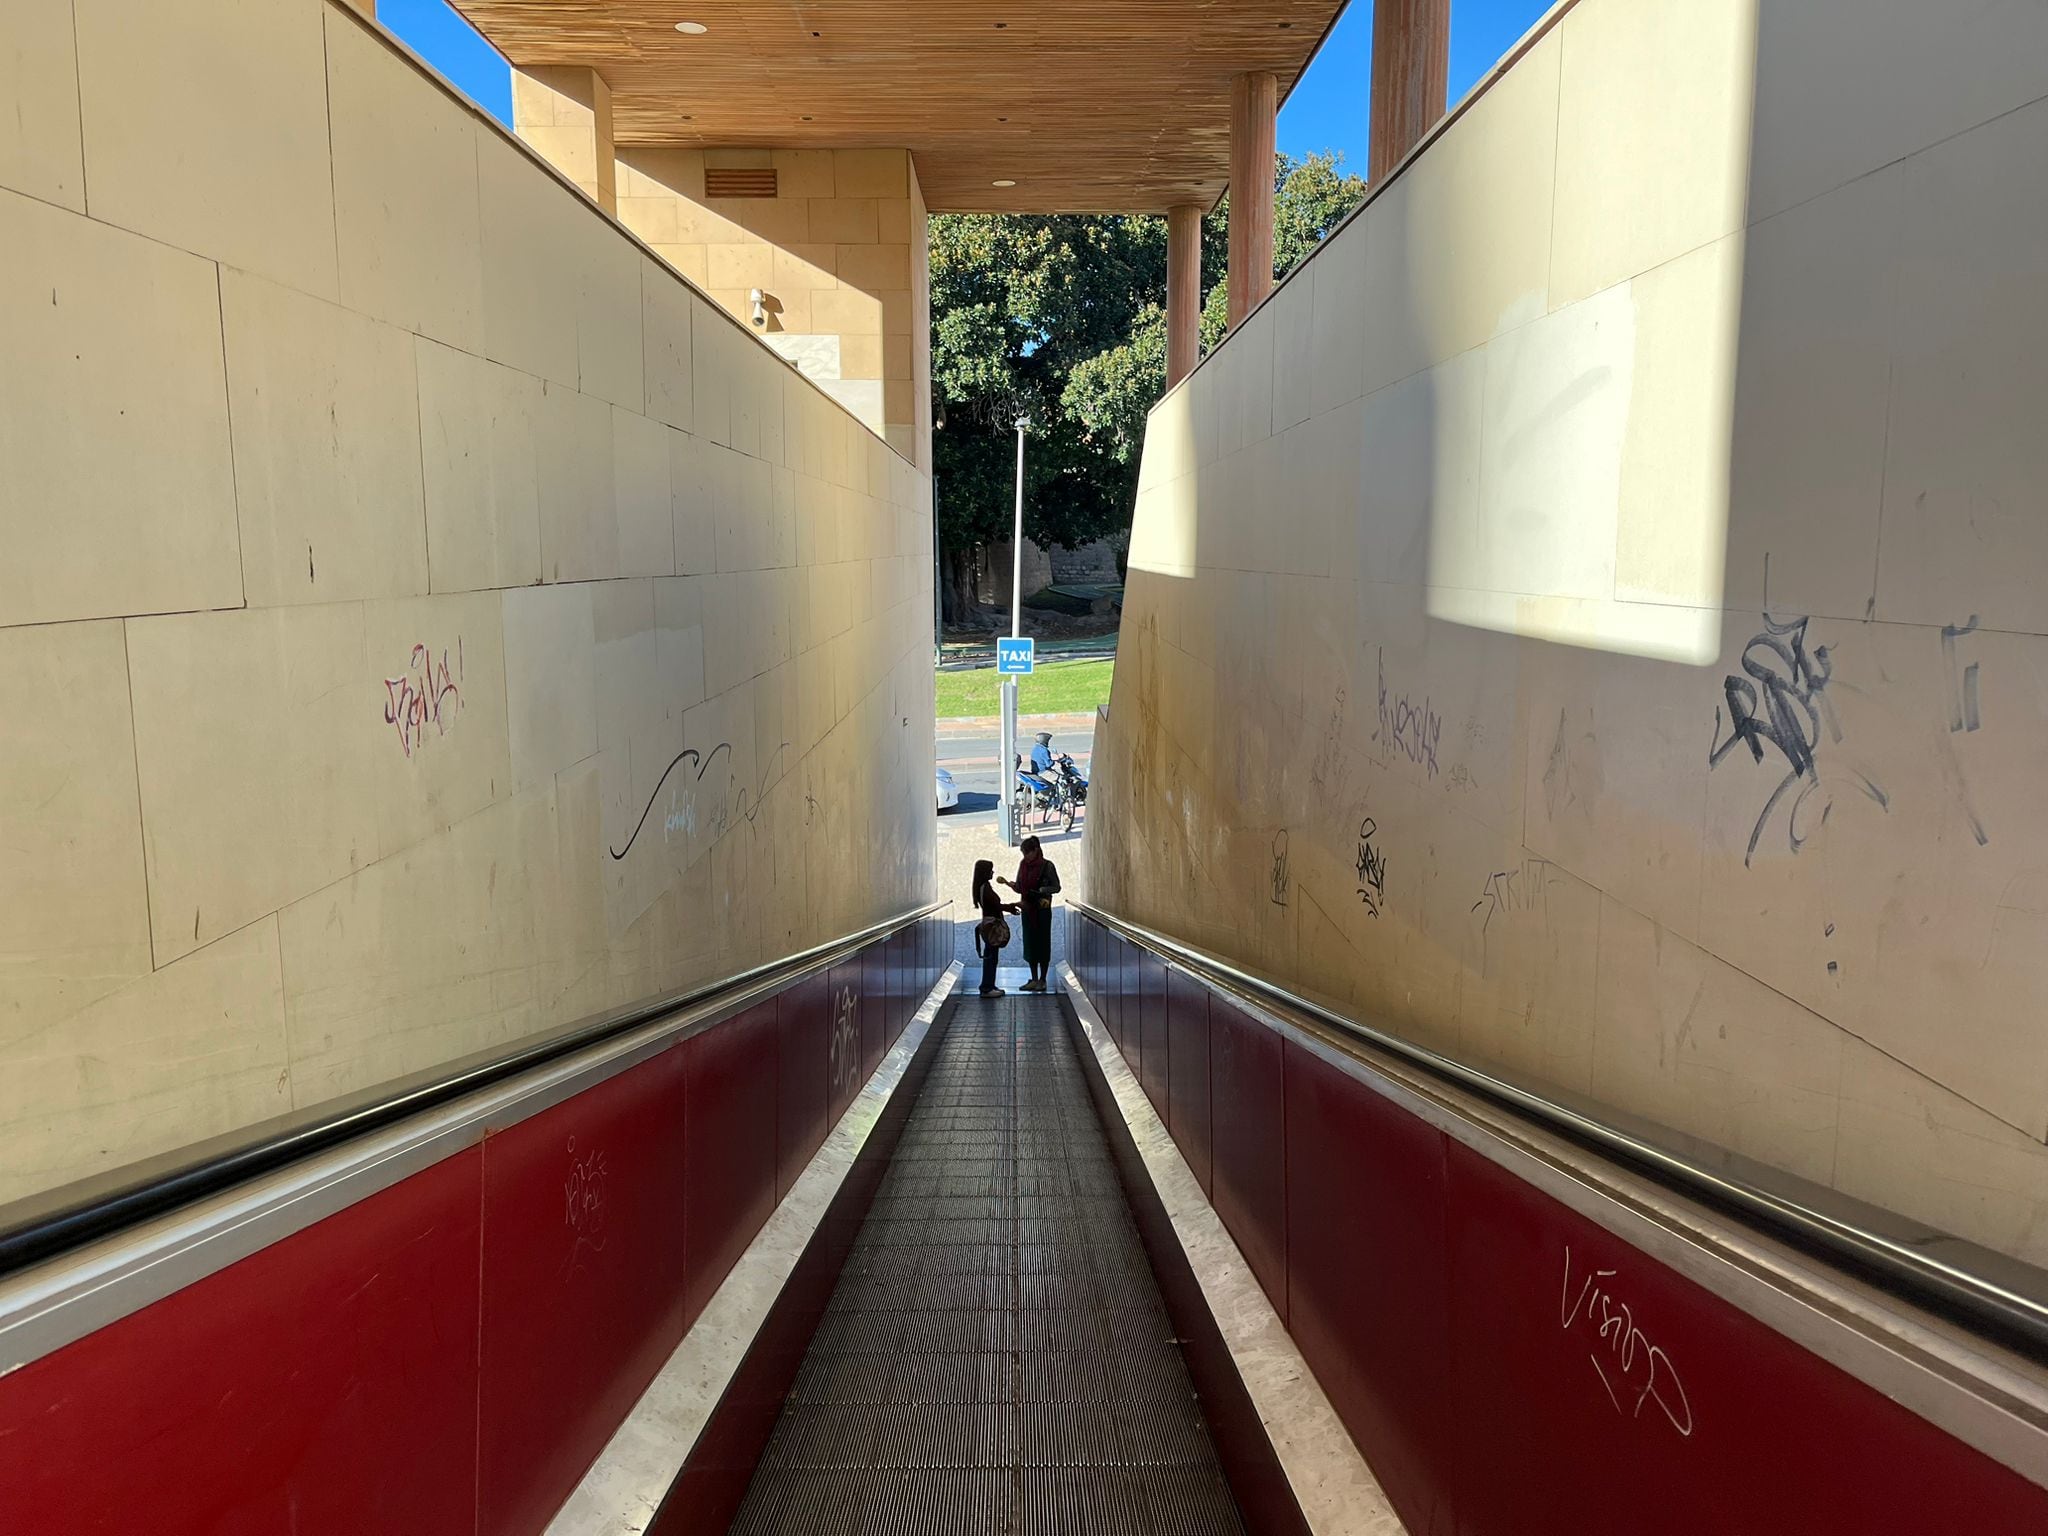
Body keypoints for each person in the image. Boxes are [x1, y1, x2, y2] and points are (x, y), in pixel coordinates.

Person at [1000, 835, 1060, 992]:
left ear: (1036, 850)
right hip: (1027, 909)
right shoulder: (1023, 865)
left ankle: (1043, 979)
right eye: (1023, 854)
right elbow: (1020, 886)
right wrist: (1011, 885)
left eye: (1027, 853)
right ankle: (1033, 979)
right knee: (1030, 944)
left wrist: (1042, 890)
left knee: (1043, 944)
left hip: (1042, 910)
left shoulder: (1048, 866)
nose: (1025, 857)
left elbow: (1057, 887)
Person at [971, 858, 1018, 998]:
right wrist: (1009, 907)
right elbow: (995, 905)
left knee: (990, 955)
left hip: (988, 925)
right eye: (990, 870)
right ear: (985, 872)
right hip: (992, 926)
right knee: (991, 956)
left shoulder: (982, 887)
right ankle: (986, 987)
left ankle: (990, 984)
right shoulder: (985, 888)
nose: (993, 872)